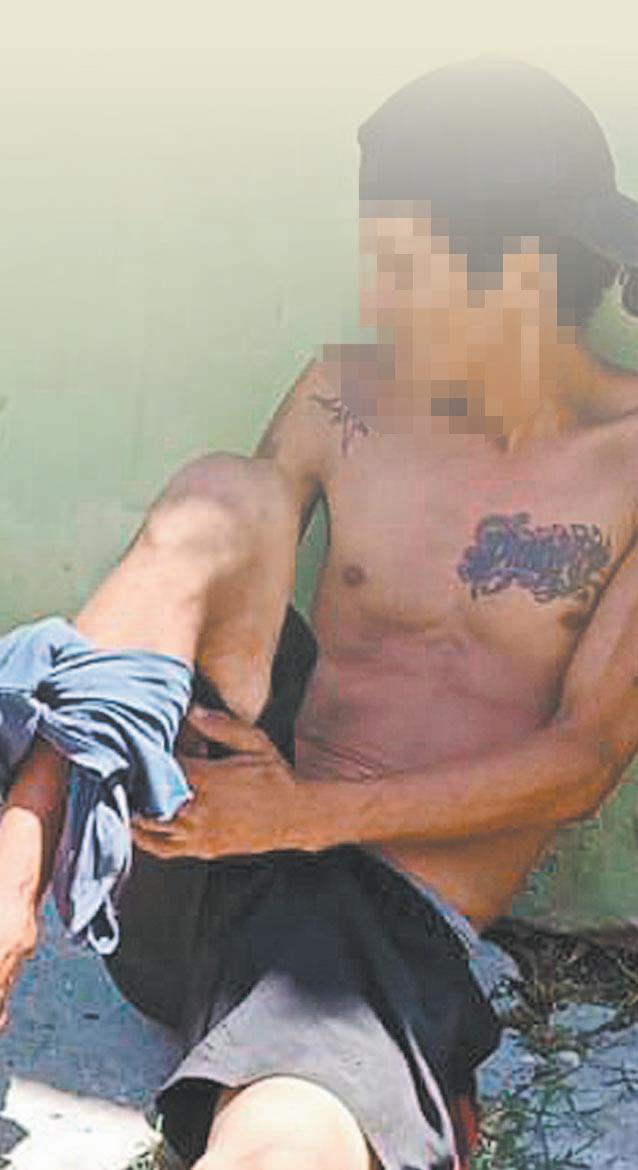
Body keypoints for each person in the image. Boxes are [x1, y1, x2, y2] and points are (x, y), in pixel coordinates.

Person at [3, 52, 638, 1170]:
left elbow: (585, 761)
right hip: (194, 846)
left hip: (373, 927)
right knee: (222, 494)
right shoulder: (345, 394)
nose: (375, 299)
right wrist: (24, 876)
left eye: (403, 267)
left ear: (522, 273)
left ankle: (371, 1092)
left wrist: (299, 818)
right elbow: (185, 594)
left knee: (277, 1144)